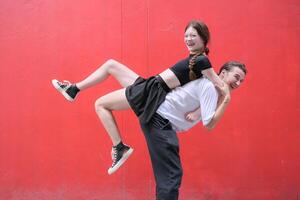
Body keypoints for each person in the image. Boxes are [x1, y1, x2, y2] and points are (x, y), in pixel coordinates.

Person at [52, 20, 225, 175]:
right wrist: (198, 110)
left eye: (193, 35)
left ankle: (119, 147)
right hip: (150, 85)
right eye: (186, 35)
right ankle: (73, 89)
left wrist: (224, 96)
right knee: (111, 65)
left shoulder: (202, 61)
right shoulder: (196, 60)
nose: (188, 39)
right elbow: (206, 89)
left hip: (151, 92)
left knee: (100, 104)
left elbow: (219, 87)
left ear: (204, 39)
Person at [141, 61, 247, 199]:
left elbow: (208, 108)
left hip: (162, 123)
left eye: (241, 81)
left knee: (169, 175)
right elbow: (209, 124)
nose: (238, 83)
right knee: (171, 176)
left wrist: (215, 101)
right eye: (236, 77)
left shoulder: (212, 88)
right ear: (224, 73)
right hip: (160, 121)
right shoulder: (210, 87)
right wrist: (227, 98)